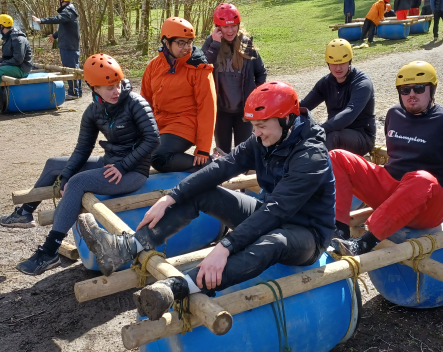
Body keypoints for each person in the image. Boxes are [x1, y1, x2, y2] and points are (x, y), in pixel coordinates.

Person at [76, 80, 336, 321]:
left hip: (306, 234)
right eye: (254, 126)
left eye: (262, 126)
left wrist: (225, 246)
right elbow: (222, 167)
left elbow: (276, 211)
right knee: (202, 192)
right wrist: (172, 196)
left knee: (274, 242)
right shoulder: (264, 138)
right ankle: (125, 248)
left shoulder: (311, 156)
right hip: (269, 214)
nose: (256, 134)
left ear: (288, 119)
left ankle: (178, 287)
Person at [6, 54, 160, 275]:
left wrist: (124, 166)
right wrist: (66, 175)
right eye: (108, 87)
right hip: (110, 163)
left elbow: (153, 139)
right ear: (93, 87)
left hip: (133, 171)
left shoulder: (135, 102)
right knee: (54, 165)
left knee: (78, 183)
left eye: (117, 84)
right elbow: (82, 149)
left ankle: (49, 251)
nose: (115, 91)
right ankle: (25, 213)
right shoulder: (93, 111)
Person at [330, 61, 443, 257]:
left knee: (421, 178)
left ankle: (364, 243)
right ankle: (340, 231)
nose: (411, 94)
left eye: (419, 88)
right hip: (393, 191)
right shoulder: (394, 114)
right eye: (405, 90)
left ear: (432, 89)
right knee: (337, 156)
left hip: (428, 204)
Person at [141, 17, 217, 172]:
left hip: (186, 123)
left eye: (189, 42)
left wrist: (203, 148)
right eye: (180, 43)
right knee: (140, 151)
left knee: (159, 157)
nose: (186, 47)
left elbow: (208, 108)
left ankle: (211, 166)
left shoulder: (199, 69)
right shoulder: (153, 66)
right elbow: (144, 102)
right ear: (166, 43)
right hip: (160, 123)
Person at [201, 3, 267, 155]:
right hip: (220, 110)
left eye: (233, 26)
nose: (230, 31)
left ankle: (243, 179)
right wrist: (215, 43)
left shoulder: (246, 43)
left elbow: (261, 72)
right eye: (225, 27)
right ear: (218, 27)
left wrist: (254, 96)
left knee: (243, 153)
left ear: (238, 25)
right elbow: (201, 66)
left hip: (243, 111)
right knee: (222, 153)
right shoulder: (211, 43)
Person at [300, 38, 376, 156]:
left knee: (331, 136)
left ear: (349, 61)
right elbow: (304, 105)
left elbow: (349, 113)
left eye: (342, 63)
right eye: (334, 64)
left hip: (361, 136)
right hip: (334, 130)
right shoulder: (325, 83)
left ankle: (319, 172)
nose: (338, 68)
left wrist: (322, 128)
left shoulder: (362, 83)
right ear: (328, 64)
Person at [32, 0, 81, 101]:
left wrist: (41, 21)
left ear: (61, 0)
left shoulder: (68, 11)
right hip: (67, 45)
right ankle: (76, 91)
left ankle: (74, 92)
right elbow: (65, 28)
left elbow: (58, 19)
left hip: (69, 46)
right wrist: (54, 35)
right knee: (72, 68)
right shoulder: (69, 11)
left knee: (71, 69)